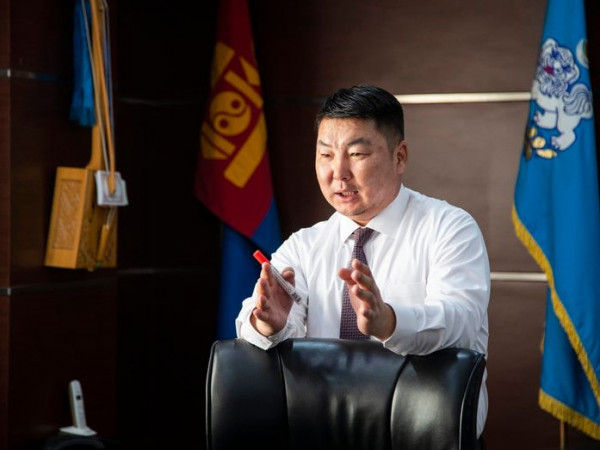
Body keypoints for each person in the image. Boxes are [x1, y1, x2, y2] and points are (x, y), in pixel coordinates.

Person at [235, 84, 490, 439]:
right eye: (326, 154)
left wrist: (389, 321)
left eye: (356, 154)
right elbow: (248, 326)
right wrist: (269, 324)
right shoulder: (304, 246)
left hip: (425, 434)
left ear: (399, 157)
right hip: (322, 431)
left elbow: (461, 321)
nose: (338, 172)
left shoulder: (449, 228)